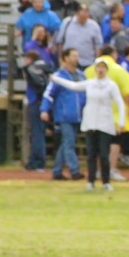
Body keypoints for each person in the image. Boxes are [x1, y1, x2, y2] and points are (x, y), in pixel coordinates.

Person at [51, 58, 126, 191]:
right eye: (98, 67)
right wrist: (57, 79)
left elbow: (120, 103)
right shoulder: (90, 83)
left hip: (105, 123)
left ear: (106, 70)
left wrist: (121, 122)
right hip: (90, 122)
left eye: (103, 68)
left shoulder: (111, 85)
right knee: (91, 154)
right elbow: (73, 86)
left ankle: (106, 181)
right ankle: (90, 181)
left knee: (103, 154)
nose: (100, 70)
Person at [84, 47, 129, 183]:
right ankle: (111, 169)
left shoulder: (90, 70)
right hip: (114, 112)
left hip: (93, 111)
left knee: (95, 142)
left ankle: (96, 171)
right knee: (114, 142)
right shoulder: (119, 70)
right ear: (113, 54)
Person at [40, 48, 86, 181]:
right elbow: (49, 94)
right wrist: (44, 109)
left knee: (65, 143)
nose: (76, 58)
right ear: (65, 58)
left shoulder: (82, 75)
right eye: (73, 56)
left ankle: (57, 170)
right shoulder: (59, 76)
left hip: (78, 115)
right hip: (64, 115)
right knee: (69, 142)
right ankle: (74, 169)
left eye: (77, 55)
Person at [22, 50, 53, 172]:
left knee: (37, 133)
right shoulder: (46, 68)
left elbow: (39, 85)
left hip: (36, 102)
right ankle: (34, 161)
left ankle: (38, 162)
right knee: (38, 133)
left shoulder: (33, 69)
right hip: (44, 103)